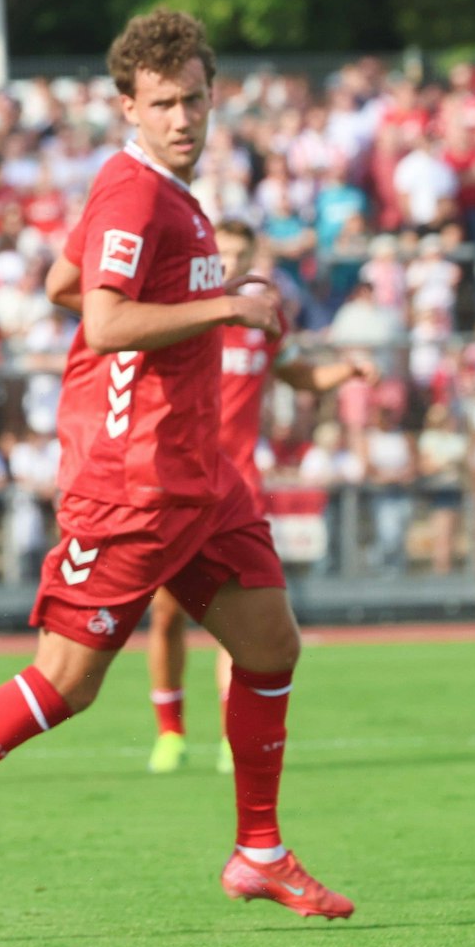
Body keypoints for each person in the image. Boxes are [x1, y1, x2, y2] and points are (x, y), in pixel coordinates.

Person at [0, 9, 353, 935]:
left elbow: (62, 284)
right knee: (65, 684)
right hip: (134, 476)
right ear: (129, 107)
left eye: (195, 98)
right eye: (163, 103)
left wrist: (213, 300)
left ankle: (259, 850)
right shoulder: (138, 195)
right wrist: (230, 305)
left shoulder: (172, 196)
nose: (184, 117)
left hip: (202, 474)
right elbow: (103, 320)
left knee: (269, 645)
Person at [121, 221, 377, 774]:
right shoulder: (181, 317)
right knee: (167, 614)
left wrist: (347, 370)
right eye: (223, 252)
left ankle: (229, 737)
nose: (232, 263)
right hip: (178, 487)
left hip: (238, 492)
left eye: (242, 253)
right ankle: (170, 733)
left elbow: (298, 375)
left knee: (236, 618)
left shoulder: (264, 319)